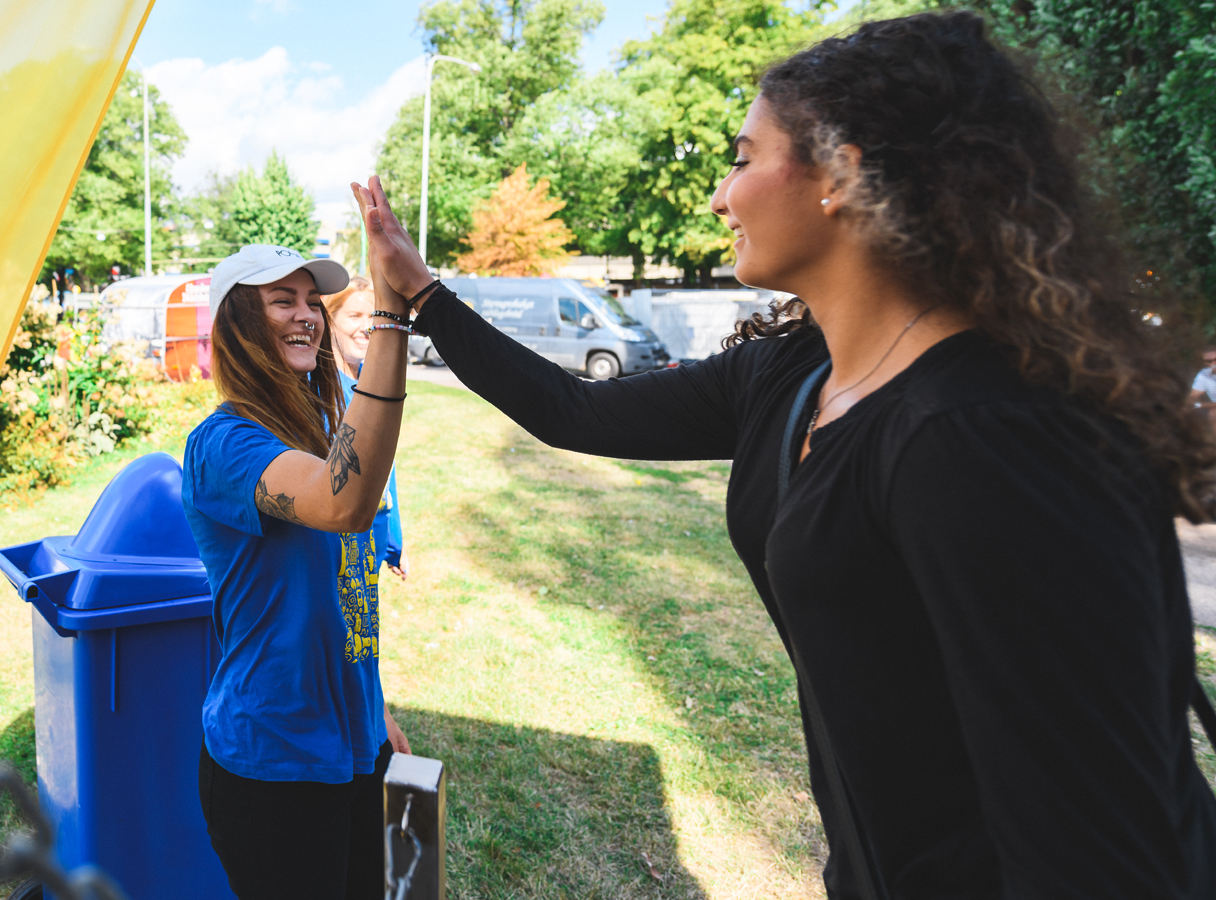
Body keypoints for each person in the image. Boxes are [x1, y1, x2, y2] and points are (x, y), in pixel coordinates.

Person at [374, 12, 1216, 898]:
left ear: (842, 172)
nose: (718, 197)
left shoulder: (986, 436)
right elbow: (572, 408)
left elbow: (1099, 851)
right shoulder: (790, 374)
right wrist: (423, 291)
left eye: (742, 158)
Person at [182, 184, 414, 899]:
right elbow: (342, 504)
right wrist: (393, 316)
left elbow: (340, 600)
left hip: (351, 747)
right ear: (237, 324)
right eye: (283, 300)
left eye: (312, 301)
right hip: (271, 767)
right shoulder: (223, 445)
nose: (308, 315)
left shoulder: (321, 431)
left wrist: (372, 707)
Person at [324, 275, 407, 579]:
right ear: (329, 320)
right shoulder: (317, 390)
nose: (366, 326)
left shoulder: (371, 385)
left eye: (373, 316)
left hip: (372, 543)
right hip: (334, 550)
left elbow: (386, 471)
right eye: (354, 316)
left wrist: (395, 544)